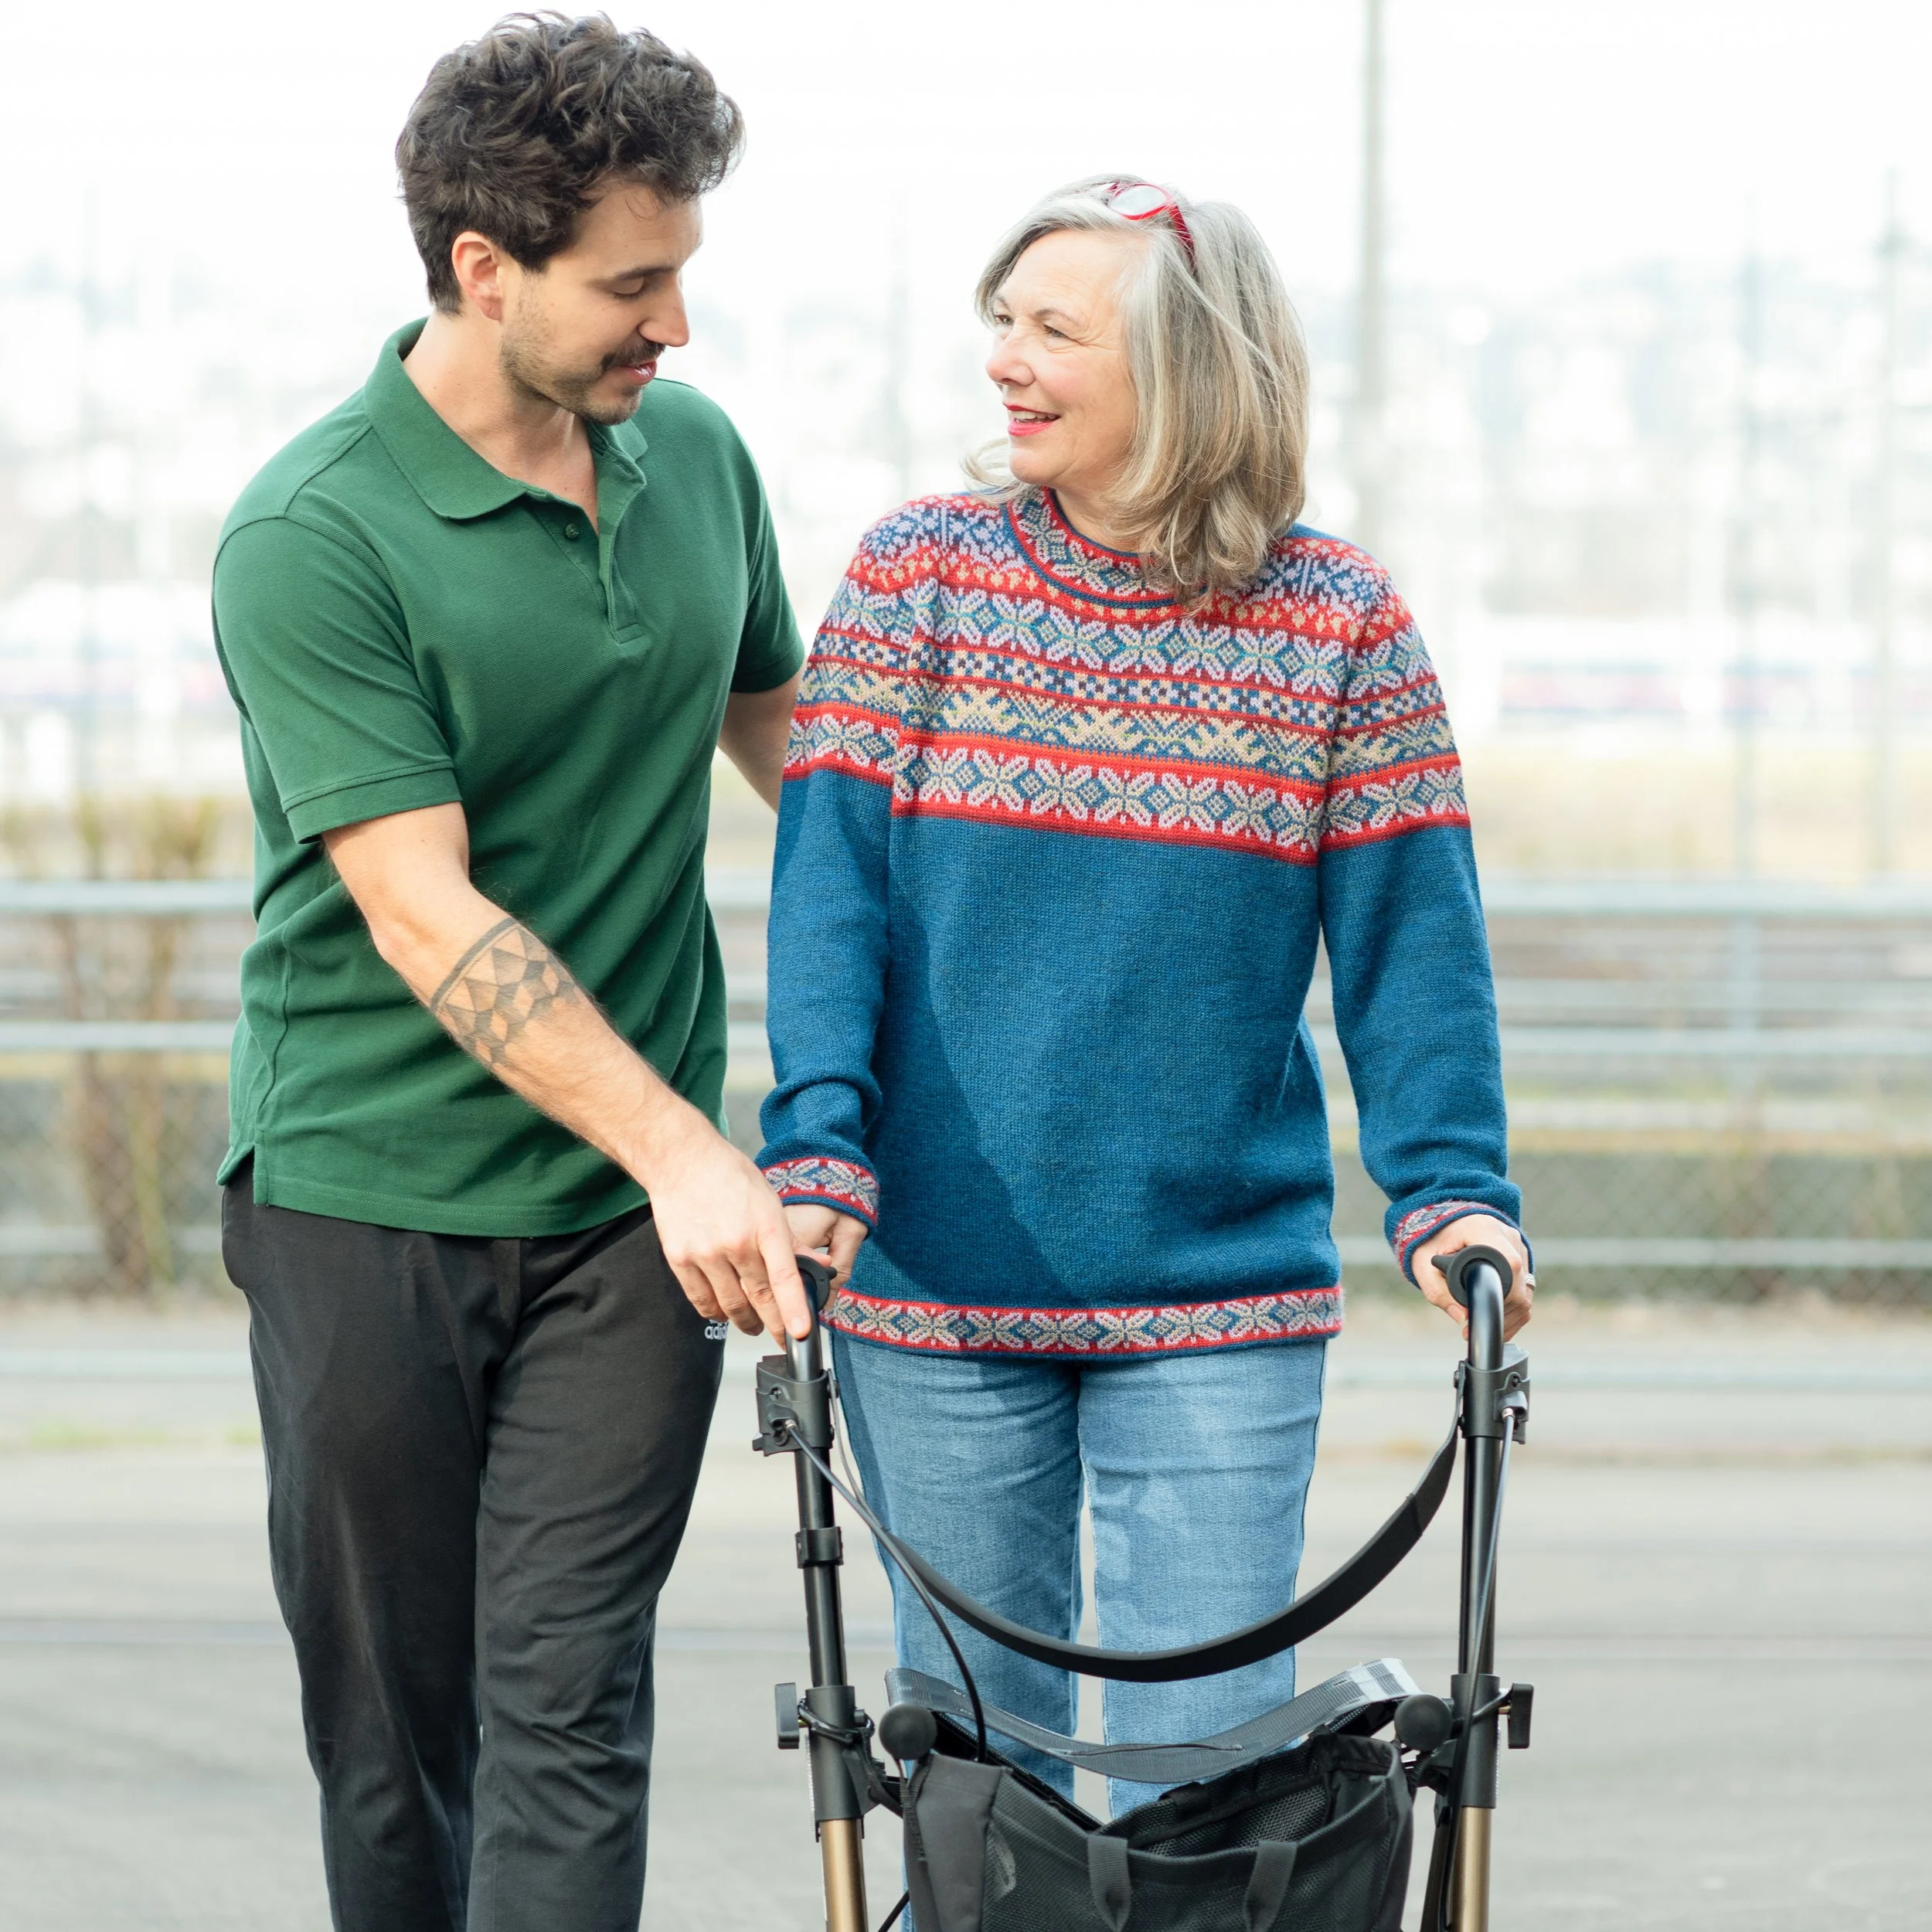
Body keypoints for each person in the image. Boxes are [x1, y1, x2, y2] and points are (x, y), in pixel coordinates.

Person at [759, 177, 1532, 1815]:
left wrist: (1451, 1190)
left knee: (1206, 1777)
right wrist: (817, 1145)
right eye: (1002, 323)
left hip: (1215, 1298)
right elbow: (827, 899)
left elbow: (1412, 944)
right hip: (933, 1284)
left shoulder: (1340, 625)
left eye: (1053, 330)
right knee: (982, 1778)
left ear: (1184, 370)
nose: (1005, 363)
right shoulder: (916, 580)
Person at [211, 18, 812, 1930]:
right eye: (635, 285)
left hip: (622, 1230)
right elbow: (422, 911)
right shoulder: (313, 534)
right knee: (400, 1744)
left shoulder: (695, 455)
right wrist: (686, 1148)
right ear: (484, 267)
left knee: (569, 1708)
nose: (678, 331)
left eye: (683, 274)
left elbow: (804, 758)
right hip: (362, 1199)